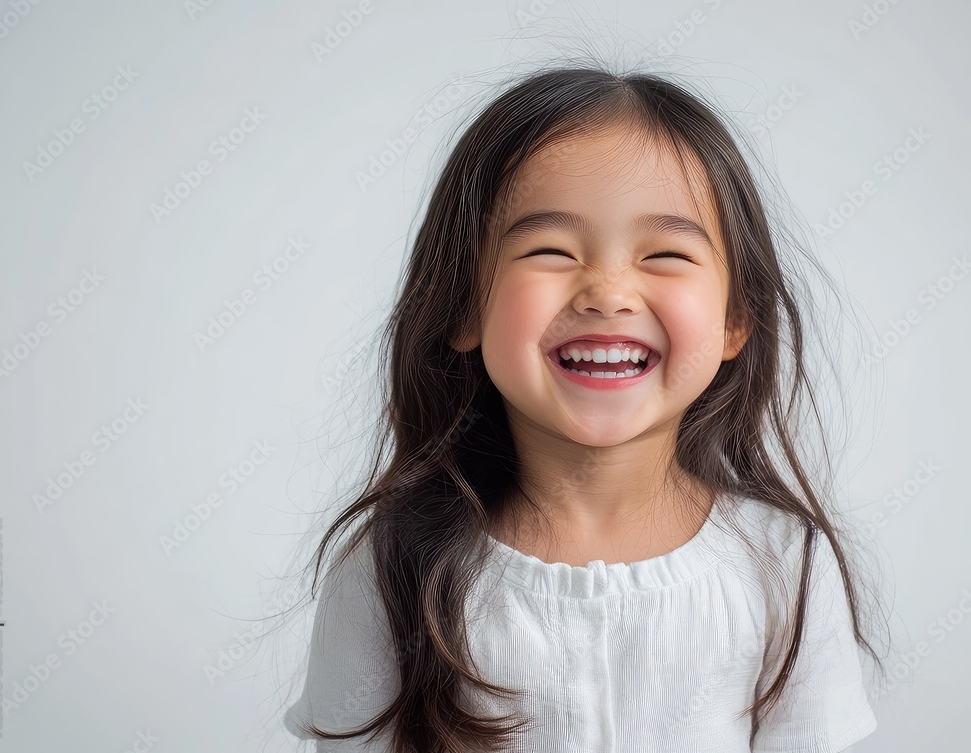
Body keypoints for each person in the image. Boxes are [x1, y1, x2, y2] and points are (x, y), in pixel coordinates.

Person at [282, 63, 885, 752]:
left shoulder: (785, 565)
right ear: (463, 305)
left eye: (664, 252)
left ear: (735, 319)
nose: (607, 291)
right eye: (549, 249)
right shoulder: (389, 568)